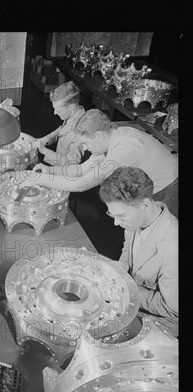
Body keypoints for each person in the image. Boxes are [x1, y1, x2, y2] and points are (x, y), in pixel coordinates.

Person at [20, 109, 178, 217]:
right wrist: (49, 171)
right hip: (154, 184)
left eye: (85, 143)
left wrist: (37, 179)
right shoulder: (112, 137)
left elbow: (79, 185)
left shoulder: (125, 150)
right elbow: (81, 170)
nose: (84, 148)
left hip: (170, 189)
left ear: (98, 135)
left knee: (158, 237)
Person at [99, 166, 178, 337]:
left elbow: (172, 309)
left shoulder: (173, 246)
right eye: (113, 215)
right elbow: (128, 248)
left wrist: (124, 288)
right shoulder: (136, 219)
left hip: (159, 321)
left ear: (144, 204)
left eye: (121, 216)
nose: (116, 223)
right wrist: (121, 266)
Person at [31, 81, 86, 166]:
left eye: (59, 110)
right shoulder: (73, 116)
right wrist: (44, 140)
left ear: (72, 107)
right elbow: (61, 131)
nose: (55, 113)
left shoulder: (81, 130)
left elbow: (71, 165)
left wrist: (44, 151)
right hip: (57, 163)